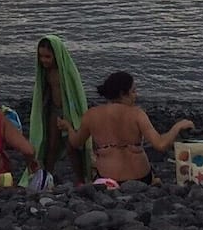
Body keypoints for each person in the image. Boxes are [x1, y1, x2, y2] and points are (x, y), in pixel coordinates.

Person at [63, 71, 195, 184]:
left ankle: (81, 182)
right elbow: (160, 144)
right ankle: (155, 183)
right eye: (133, 91)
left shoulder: (91, 115)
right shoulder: (137, 114)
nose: (135, 95)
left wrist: (68, 127)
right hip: (140, 178)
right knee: (156, 180)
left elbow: (76, 142)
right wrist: (177, 126)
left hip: (108, 179)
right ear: (122, 93)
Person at [25, 35, 92, 187]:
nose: (44, 60)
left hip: (69, 111)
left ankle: (81, 178)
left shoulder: (66, 71)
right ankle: (46, 176)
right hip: (54, 110)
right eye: (41, 57)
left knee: (72, 146)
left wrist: (75, 117)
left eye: (48, 57)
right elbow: (43, 92)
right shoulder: (45, 72)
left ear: (57, 55)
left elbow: (76, 93)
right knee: (51, 144)